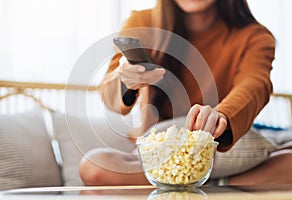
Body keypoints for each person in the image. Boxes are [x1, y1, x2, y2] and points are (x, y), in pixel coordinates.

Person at [79, 0, 292, 186]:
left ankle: (189, 182)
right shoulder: (142, 23)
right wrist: (126, 80)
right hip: (158, 153)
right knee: (94, 166)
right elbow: (109, 95)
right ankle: (220, 185)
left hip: (220, 145)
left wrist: (221, 116)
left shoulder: (255, 37)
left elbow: (255, 85)